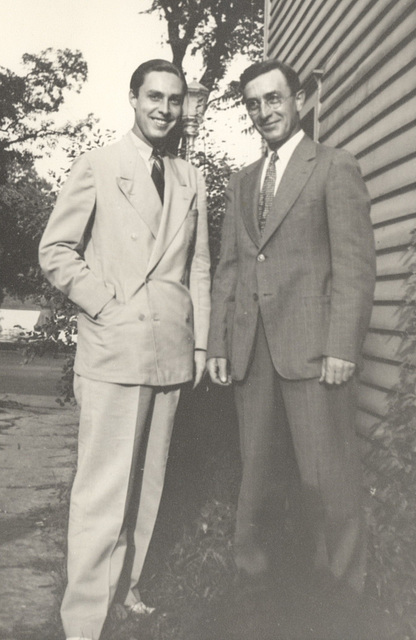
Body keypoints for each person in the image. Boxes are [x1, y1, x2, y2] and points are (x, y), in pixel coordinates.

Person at [39, 59, 211, 640]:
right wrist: (105, 305)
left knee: (149, 481)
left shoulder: (191, 177)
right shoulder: (99, 164)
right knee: (102, 488)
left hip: (171, 348)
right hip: (115, 347)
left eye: (174, 99)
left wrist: (200, 343)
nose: (164, 108)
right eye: (153, 97)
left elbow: (200, 266)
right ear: (133, 99)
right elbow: (57, 249)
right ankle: (83, 618)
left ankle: (126, 586)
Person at [207, 59, 376, 598]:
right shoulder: (241, 182)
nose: (264, 112)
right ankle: (255, 593)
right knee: (255, 483)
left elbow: (355, 265)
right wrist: (219, 342)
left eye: (274, 99)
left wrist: (341, 346)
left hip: (314, 352)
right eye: (253, 104)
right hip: (252, 354)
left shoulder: (333, 166)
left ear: (298, 100)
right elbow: (230, 268)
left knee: (326, 483)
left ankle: (342, 600)